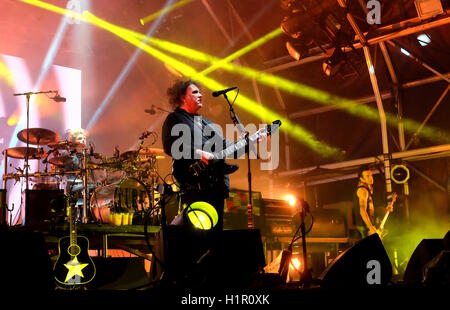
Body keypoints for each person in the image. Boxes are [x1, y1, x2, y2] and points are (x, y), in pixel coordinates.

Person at [161, 79, 239, 231]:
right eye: (195, 92)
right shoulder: (175, 119)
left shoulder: (206, 123)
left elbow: (223, 145)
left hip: (216, 186)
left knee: (216, 234)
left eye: (200, 92)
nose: (201, 95)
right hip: (194, 184)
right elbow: (170, 146)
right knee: (197, 234)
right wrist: (199, 153)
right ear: (182, 97)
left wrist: (252, 141)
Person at [353, 165, 395, 239]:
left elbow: (370, 210)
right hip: (364, 228)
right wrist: (371, 228)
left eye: (371, 175)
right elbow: (362, 211)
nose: (371, 178)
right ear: (361, 179)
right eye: (367, 176)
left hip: (369, 226)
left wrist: (385, 210)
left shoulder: (367, 190)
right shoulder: (363, 191)